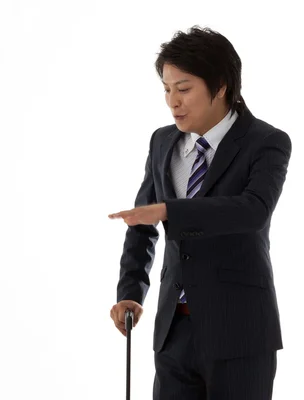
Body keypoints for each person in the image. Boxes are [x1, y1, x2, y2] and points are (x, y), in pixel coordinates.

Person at [108, 26, 291, 399]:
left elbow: (252, 211)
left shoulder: (267, 142)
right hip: (174, 332)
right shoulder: (162, 141)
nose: (172, 101)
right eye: (166, 89)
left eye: (184, 88)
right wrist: (131, 291)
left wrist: (171, 211)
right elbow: (143, 224)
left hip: (239, 334)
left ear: (220, 86)